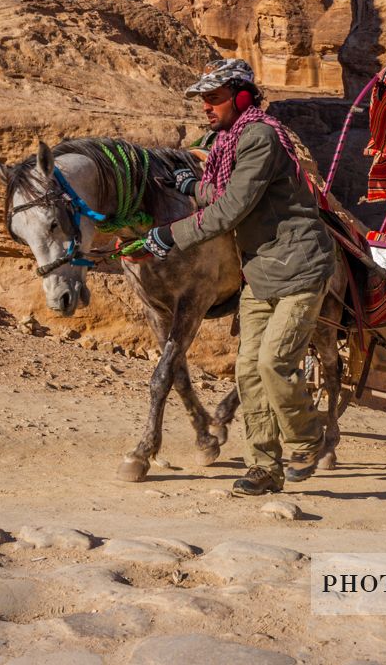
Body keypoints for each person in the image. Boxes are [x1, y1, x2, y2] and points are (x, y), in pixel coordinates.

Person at [143, 58, 336, 496]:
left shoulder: (260, 136)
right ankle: (264, 469)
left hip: (300, 266)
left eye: (214, 98)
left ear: (242, 96)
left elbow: (230, 209)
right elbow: (224, 191)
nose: (206, 108)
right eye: (203, 100)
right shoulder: (229, 141)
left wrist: (167, 236)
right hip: (261, 273)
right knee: (248, 373)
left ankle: (308, 437)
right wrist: (190, 187)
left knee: (273, 363)